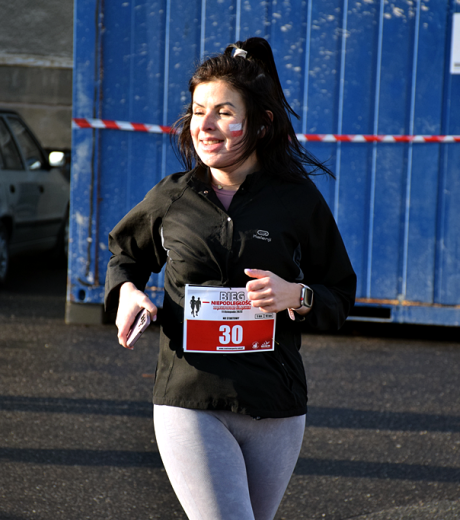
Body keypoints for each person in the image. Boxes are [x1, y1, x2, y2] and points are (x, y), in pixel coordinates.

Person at [104, 37, 356, 520]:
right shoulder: (173, 198)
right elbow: (125, 255)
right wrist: (127, 293)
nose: (206, 125)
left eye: (223, 111)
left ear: (260, 123)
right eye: (199, 110)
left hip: (274, 405)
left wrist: (295, 295)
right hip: (190, 399)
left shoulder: (295, 200)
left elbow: (339, 292)